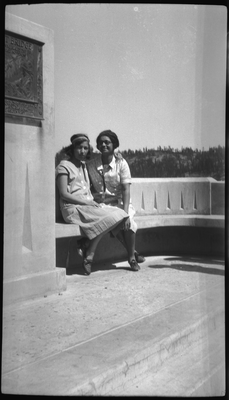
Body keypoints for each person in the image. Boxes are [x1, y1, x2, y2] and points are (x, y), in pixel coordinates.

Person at [55, 133, 133, 275]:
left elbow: (104, 160)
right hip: (72, 208)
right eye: (79, 148)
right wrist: (87, 202)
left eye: (85, 148)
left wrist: (118, 158)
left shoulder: (85, 166)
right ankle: (90, 252)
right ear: (72, 149)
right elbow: (63, 194)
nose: (83, 151)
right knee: (114, 217)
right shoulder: (64, 166)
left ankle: (88, 249)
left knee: (120, 214)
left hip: (87, 206)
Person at [87, 130, 145, 272]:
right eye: (101, 142)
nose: (103, 144)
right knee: (110, 221)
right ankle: (134, 253)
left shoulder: (121, 163)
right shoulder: (91, 164)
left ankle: (131, 257)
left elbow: (126, 190)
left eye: (107, 142)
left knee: (129, 224)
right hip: (103, 205)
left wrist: (125, 214)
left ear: (114, 144)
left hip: (121, 203)